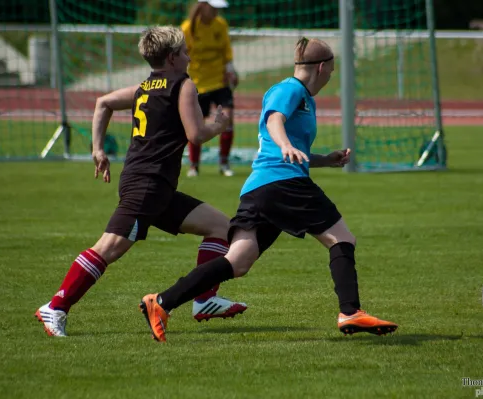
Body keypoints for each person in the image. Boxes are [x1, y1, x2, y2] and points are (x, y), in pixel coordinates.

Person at [137, 37, 399, 342]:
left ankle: (162, 302)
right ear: (323, 67)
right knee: (341, 238)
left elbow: (286, 145)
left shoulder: (299, 95)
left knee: (237, 262)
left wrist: (325, 160)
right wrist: (286, 143)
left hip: (261, 189)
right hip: (283, 184)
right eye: (331, 70)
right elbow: (275, 121)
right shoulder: (291, 89)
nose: (331, 76)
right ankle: (351, 311)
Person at [34, 26, 248, 337]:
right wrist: (218, 123)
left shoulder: (145, 86)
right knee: (110, 246)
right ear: (174, 58)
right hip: (147, 184)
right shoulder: (183, 85)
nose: (190, 56)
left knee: (221, 227)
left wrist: (98, 149)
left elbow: (103, 102)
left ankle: (204, 300)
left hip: (154, 185)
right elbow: (195, 135)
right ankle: (56, 306)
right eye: (186, 52)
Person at [181, 0, 238, 177]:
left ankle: (224, 163)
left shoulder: (220, 25)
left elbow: (226, 52)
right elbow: (182, 55)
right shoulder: (188, 28)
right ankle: (194, 166)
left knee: (227, 120)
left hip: (220, 82)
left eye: (218, 9)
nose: (216, 12)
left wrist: (231, 71)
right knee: (196, 126)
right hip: (198, 84)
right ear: (203, 6)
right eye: (213, 8)